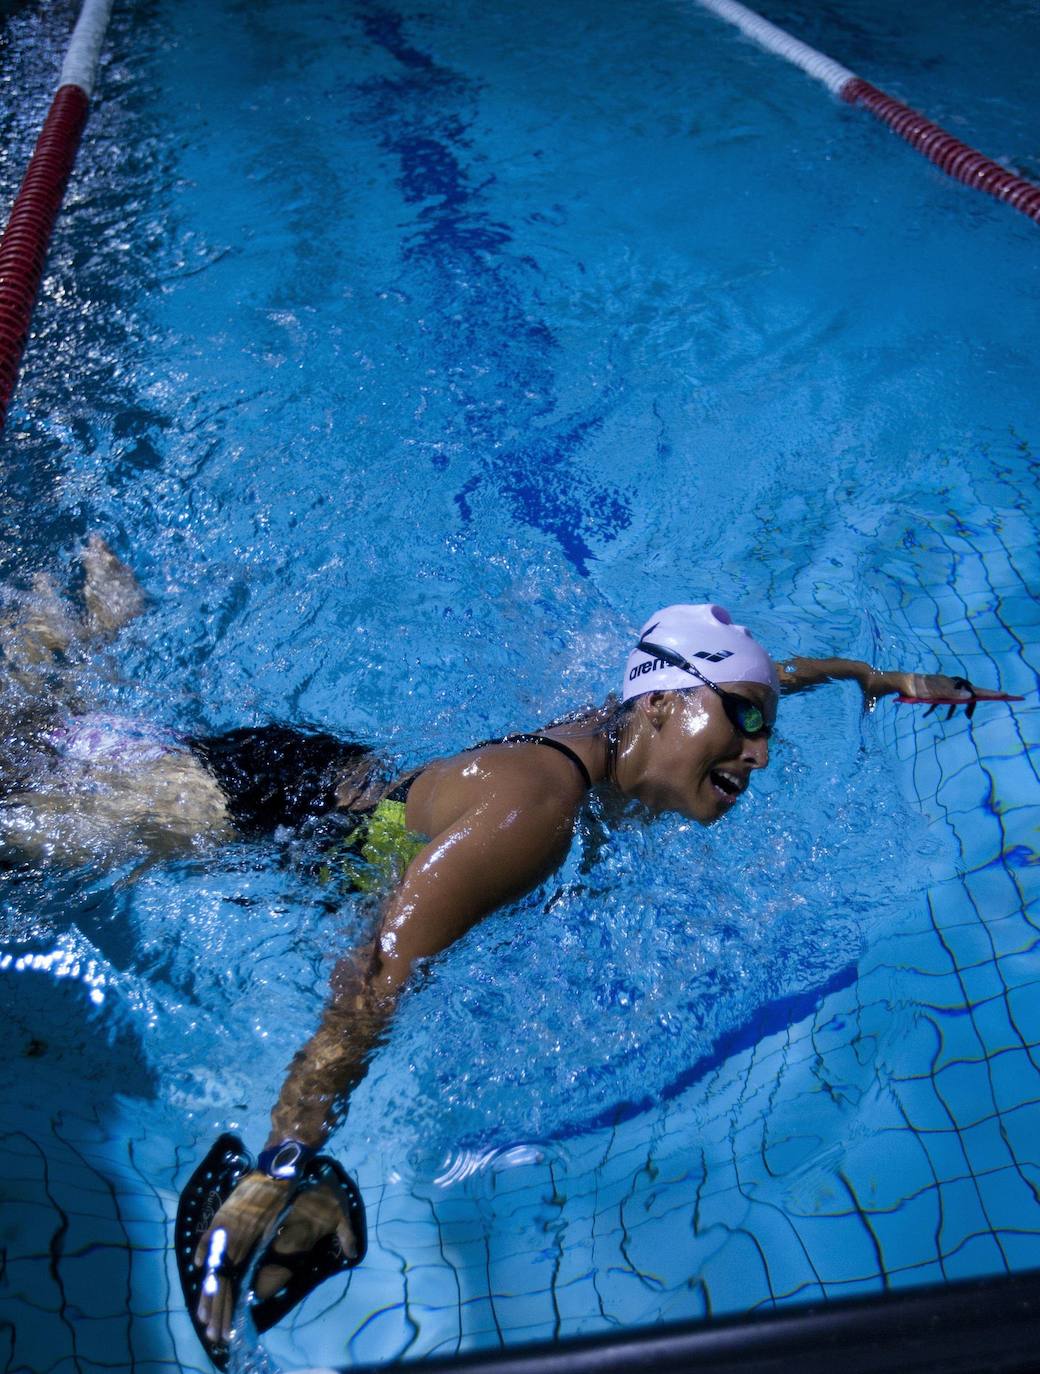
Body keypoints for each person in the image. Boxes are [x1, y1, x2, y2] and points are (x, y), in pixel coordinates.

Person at [0, 544, 1009, 1363]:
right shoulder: (535, 812)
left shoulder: (638, 730)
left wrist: (872, 678)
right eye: (741, 724)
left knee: (61, 754)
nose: (756, 752)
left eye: (764, 730)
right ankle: (75, 630)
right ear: (660, 705)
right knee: (18, 811)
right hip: (259, 810)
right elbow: (377, 972)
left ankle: (81, 644)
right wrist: (285, 1159)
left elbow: (769, 675)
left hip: (333, 777)